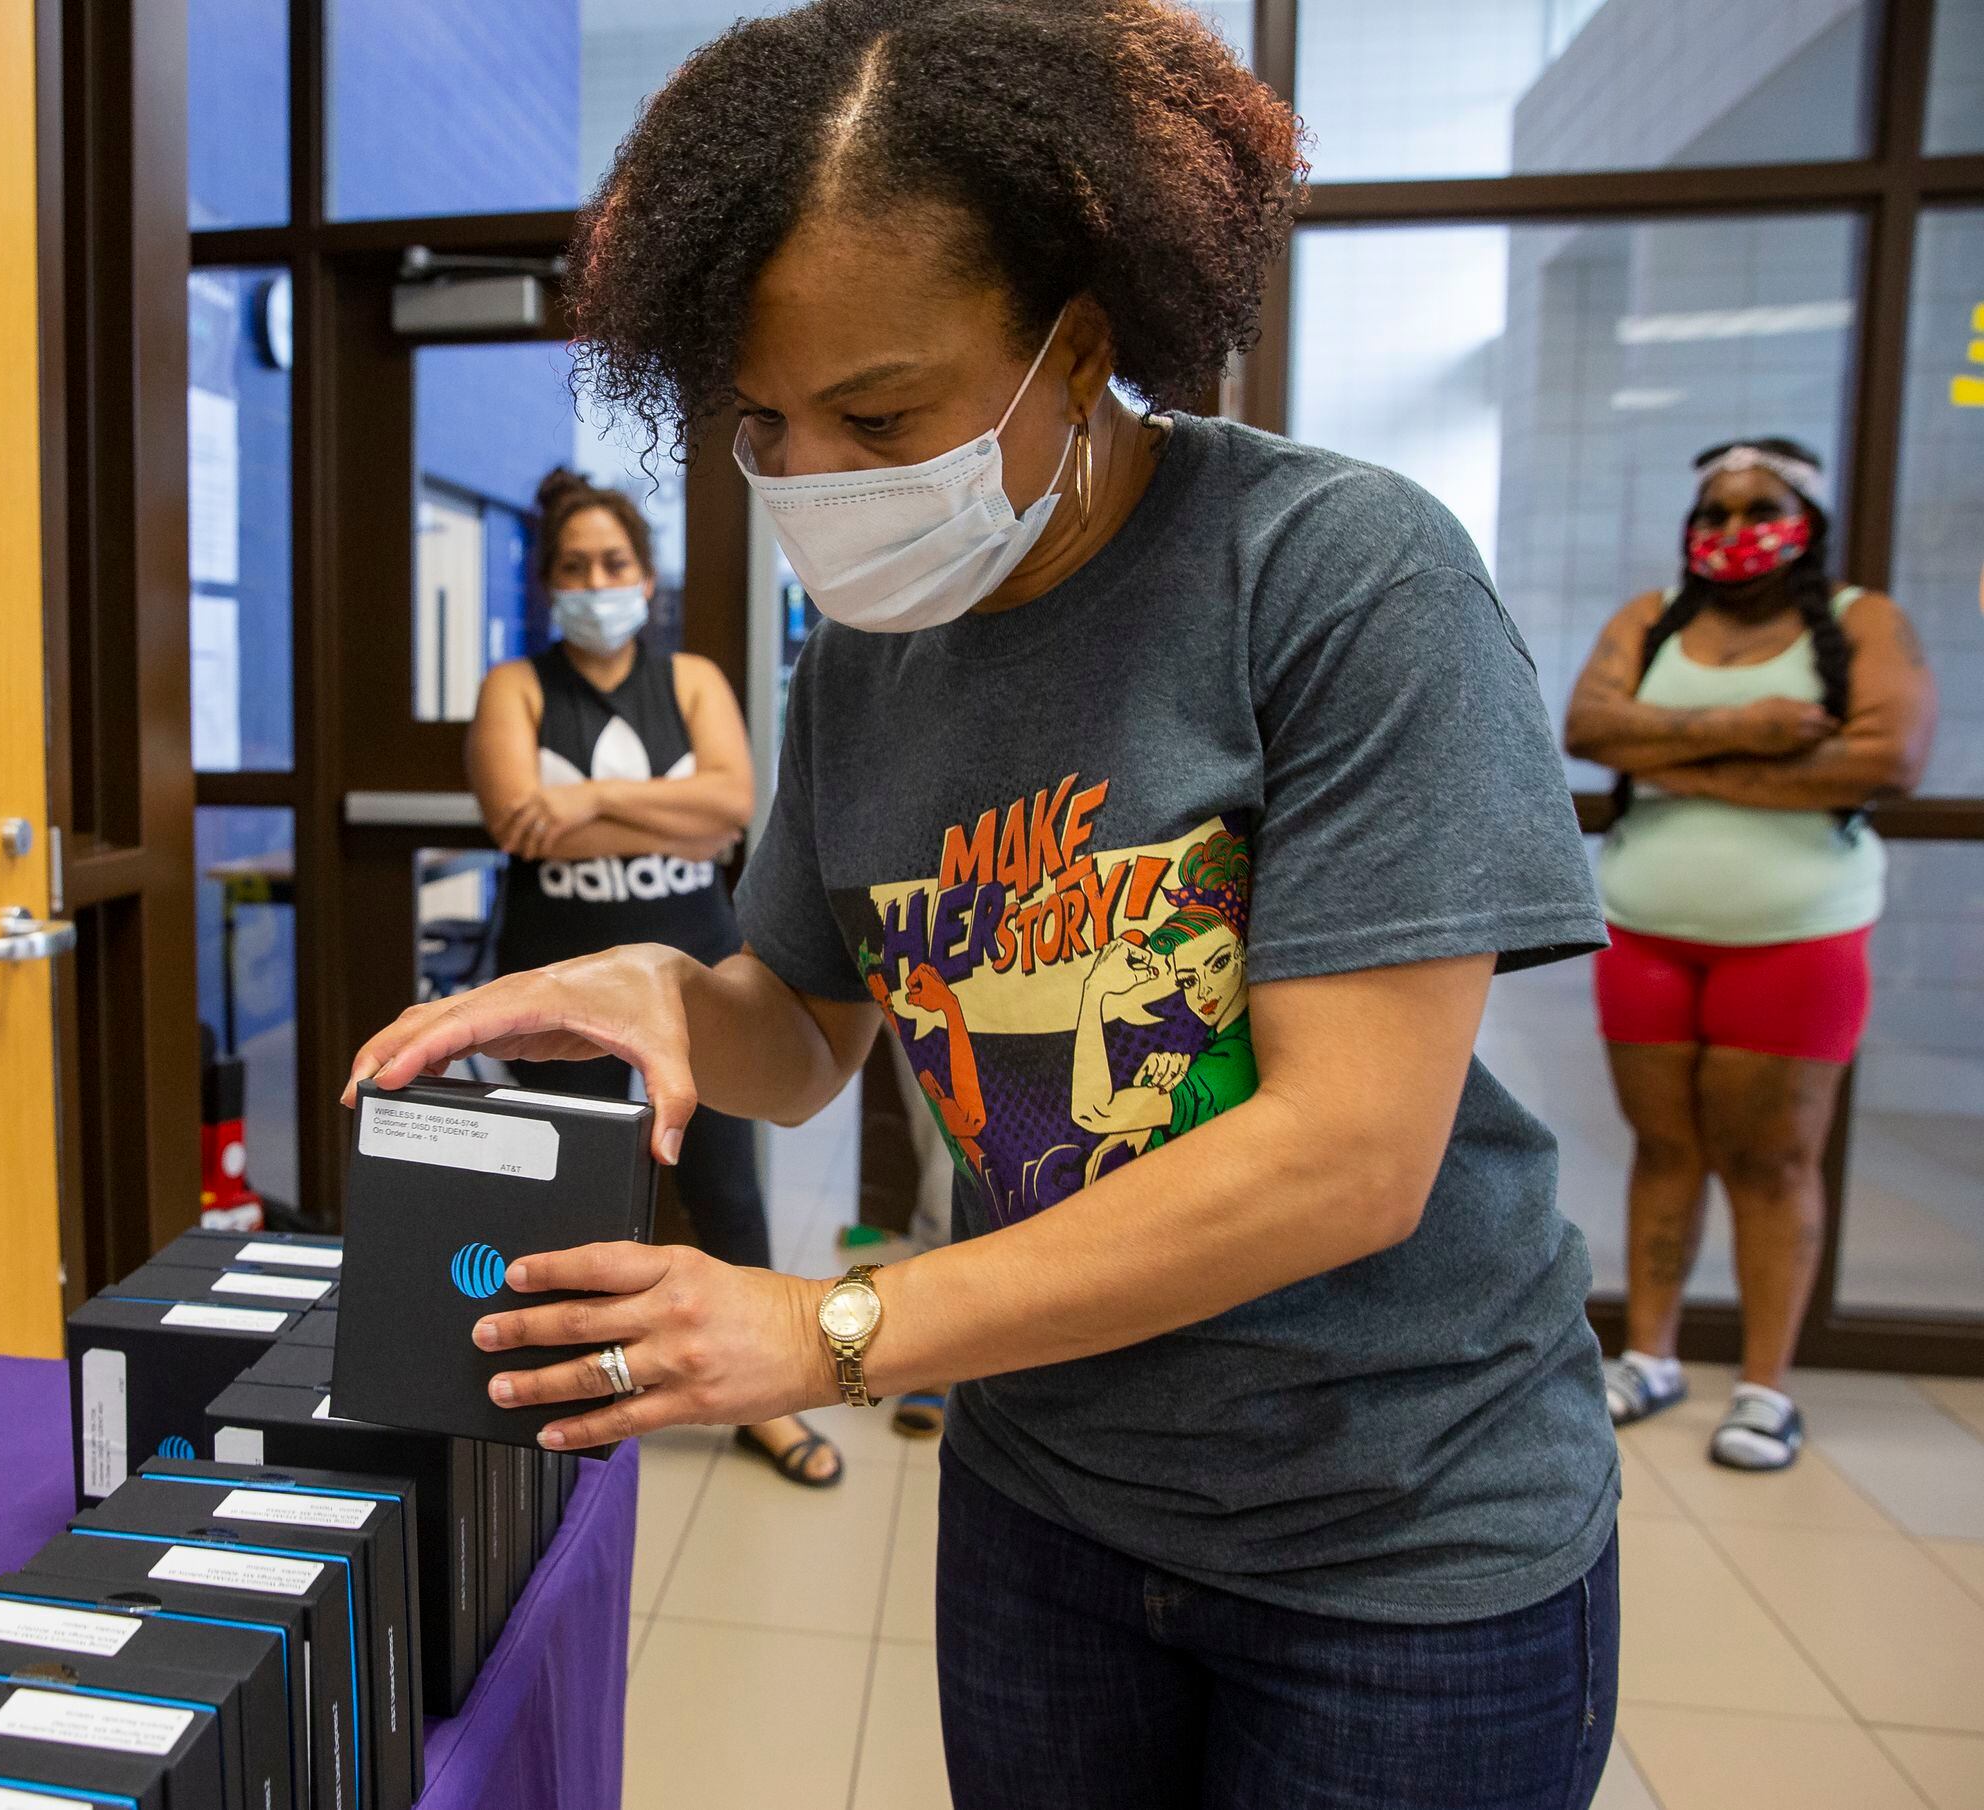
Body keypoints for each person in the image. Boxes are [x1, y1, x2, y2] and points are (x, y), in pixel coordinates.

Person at [350, 3, 1622, 1802]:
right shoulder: (868, 660)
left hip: (1391, 1542)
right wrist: (666, 990)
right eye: (767, 423)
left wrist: (827, 1329)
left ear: (1075, 342)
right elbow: (801, 1030)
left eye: (880, 413)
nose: (816, 480)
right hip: (1048, 1513)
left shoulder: (1333, 577)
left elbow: (1349, 1152)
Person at [467, 468, 844, 1488]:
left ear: (647, 577)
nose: (598, 581)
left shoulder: (690, 681)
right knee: (568, 1199)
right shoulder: (515, 686)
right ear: (549, 582)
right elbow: (512, 815)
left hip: (699, 978)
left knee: (725, 1188)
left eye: (616, 563)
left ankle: (760, 1400)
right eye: (577, 566)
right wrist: (656, 805)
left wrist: (580, 801)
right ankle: (577, 1392)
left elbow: (728, 806)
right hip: (558, 989)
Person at [1564, 439, 1936, 1471]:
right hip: (1642, 932)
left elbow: (1889, 755)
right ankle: (1649, 1354)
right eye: (1713, 512)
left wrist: (1676, 753)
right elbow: (1587, 724)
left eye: (1757, 507)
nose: (1732, 531)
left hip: (1796, 942)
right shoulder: (1650, 620)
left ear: (1805, 517)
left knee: (1771, 1161)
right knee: (1662, 1147)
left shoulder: (1864, 621)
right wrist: (1766, 732)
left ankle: (1765, 1385)